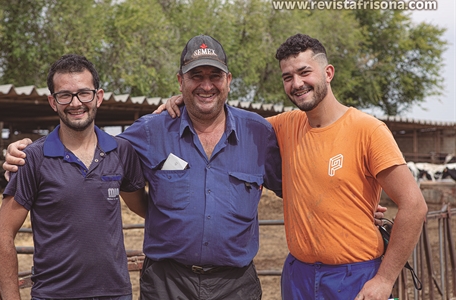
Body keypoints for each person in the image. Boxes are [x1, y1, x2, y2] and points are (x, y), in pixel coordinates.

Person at [2, 35, 387, 299]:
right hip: (167, 282)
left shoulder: (261, 133)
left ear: (228, 80)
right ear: (180, 81)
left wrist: (354, 208)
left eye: (214, 75)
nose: (206, 85)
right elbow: (85, 140)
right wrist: (25, 151)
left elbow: (303, 184)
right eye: (195, 76)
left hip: (236, 284)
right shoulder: (150, 131)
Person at [162, 33, 428, 300]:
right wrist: (182, 101)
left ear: (328, 73)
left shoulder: (368, 130)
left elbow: (414, 205)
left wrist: (384, 279)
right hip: (298, 276)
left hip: (354, 276)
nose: (297, 83)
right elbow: (226, 120)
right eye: (287, 77)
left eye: (304, 72)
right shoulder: (281, 127)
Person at [0, 54, 147, 300]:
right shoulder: (32, 158)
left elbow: (145, 209)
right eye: (65, 95)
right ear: (53, 102)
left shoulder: (121, 151)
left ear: (99, 97)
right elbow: (2, 235)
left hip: (114, 294)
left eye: (84, 93)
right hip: (55, 295)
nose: (75, 103)